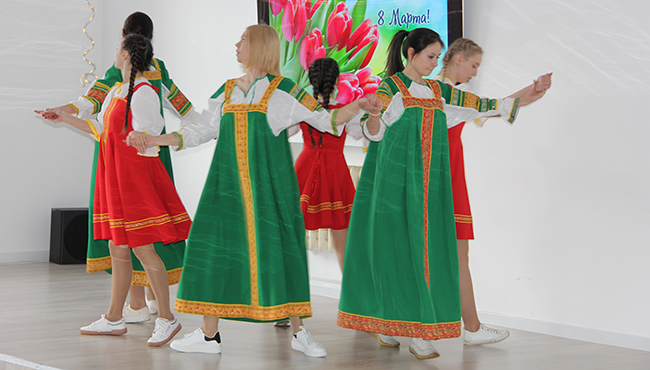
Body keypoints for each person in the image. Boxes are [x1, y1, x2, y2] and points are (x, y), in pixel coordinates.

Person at [126, 25, 381, 358]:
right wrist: (154, 139)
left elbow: (327, 121)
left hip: (270, 192)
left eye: (243, 39)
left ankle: (299, 332)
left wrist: (360, 104)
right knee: (215, 253)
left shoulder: (283, 91)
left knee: (284, 253)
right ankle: (208, 335)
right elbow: (200, 130)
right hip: (226, 189)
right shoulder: (227, 91)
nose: (237, 44)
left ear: (260, 45)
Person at [336, 28, 550, 360]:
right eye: (430, 56)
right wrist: (375, 115)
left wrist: (532, 93)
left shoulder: (438, 92)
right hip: (393, 188)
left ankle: (420, 332)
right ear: (411, 53)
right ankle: (389, 322)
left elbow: (485, 106)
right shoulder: (390, 88)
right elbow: (372, 133)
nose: (434, 64)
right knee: (392, 254)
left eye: (437, 57)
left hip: (428, 190)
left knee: (425, 255)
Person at [37, 34, 191, 346]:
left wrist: (141, 137)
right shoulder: (116, 91)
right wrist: (65, 117)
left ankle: (167, 318)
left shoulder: (145, 93)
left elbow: (151, 139)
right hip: (115, 179)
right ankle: (113, 318)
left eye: (119, 48)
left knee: (143, 250)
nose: (115, 52)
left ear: (127, 55)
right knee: (117, 249)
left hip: (134, 181)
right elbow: (101, 131)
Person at [438, 38, 551, 345]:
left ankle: (470, 328)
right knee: (451, 254)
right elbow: (491, 106)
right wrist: (529, 94)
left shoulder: (453, 94)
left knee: (456, 254)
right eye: (474, 65)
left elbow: (491, 106)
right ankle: (460, 328)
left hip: (447, 174)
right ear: (458, 59)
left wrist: (531, 92)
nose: (475, 72)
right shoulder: (441, 93)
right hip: (440, 176)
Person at [294, 57, 362, 271]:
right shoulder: (346, 111)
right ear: (337, 80)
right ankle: (349, 290)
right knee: (342, 241)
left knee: (292, 233)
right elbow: (362, 134)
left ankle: (289, 287)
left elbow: (281, 131)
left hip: (305, 168)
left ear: (311, 80)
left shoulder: (302, 109)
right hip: (335, 171)